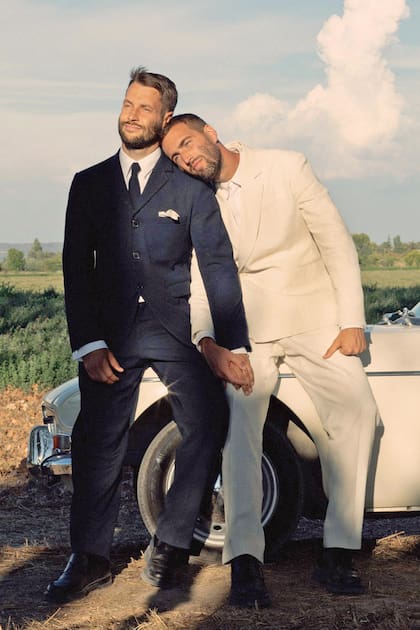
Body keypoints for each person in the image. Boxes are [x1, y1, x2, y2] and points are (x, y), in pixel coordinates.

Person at [45, 70, 253, 604]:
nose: (132, 114)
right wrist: (88, 343)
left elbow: (217, 265)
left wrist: (234, 344)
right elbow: (76, 268)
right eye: (127, 103)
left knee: (208, 422)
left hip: (175, 332)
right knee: (98, 442)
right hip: (110, 338)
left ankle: (171, 542)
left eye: (145, 108)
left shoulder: (188, 188)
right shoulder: (87, 183)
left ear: (164, 119)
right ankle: (88, 556)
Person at [161, 114, 379, 607]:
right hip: (246, 333)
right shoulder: (195, 199)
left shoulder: (287, 167)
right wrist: (207, 342)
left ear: (211, 133)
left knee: (358, 411)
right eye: (175, 156)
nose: (186, 158)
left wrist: (351, 320)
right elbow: (198, 280)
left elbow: (335, 241)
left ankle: (338, 550)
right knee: (241, 427)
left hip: (316, 318)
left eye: (188, 144)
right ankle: (245, 563)